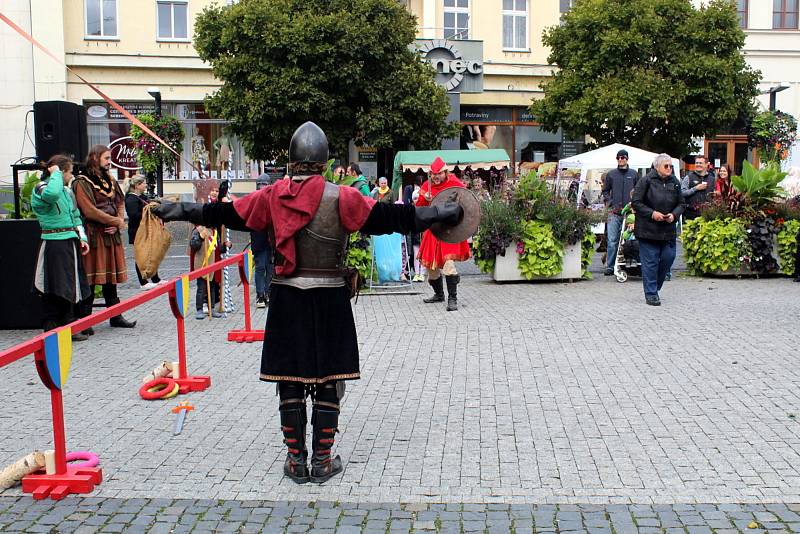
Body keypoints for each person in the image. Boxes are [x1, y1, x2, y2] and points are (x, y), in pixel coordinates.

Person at [151, 122, 462, 484]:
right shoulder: (343, 197)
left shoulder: (270, 196)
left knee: (291, 380)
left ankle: (296, 461)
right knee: (330, 379)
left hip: (286, 296)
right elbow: (392, 217)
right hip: (330, 294)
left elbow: (227, 213)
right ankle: (323, 460)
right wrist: (439, 215)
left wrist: (182, 209)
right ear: (324, 161)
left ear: (292, 159)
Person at [73, 145, 136, 329]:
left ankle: (115, 316)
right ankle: (85, 321)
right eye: (106, 158)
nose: (109, 162)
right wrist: (115, 222)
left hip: (111, 235)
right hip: (94, 235)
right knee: (91, 278)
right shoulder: (81, 182)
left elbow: (120, 201)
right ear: (95, 158)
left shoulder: (109, 179)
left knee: (110, 278)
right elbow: (89, 211)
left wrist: (118, 221)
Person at [31, 155, 91, 342]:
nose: (71, 175)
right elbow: (52, 195)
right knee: (51, 284)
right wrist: (55, 173)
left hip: (69, 241)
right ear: (60, 171)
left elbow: (75, 216)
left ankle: (70, 323)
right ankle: (51, 324)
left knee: (70, 284)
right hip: (53, 242)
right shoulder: (41, 189)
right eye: (69, 172)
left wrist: (82, 237)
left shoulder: (66, 191)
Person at [416, 156, 471, 311]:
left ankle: (452, 299)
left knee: (448, 265)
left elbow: (466, 204)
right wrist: (423, 198)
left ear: (445, 172)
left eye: (439, 174)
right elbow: (419, 209)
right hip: (432, 231)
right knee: (431, 268)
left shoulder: (455, 184)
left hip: (448, 231)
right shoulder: (427, 186)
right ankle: (439, 294)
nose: (436, 177)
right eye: (433, 174)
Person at [631, 154, 684, 306]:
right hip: (648, 230)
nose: (669, 169)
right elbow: (636, 202)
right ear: (657, 167)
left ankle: (654, 286)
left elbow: (681, 203)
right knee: (650, 263)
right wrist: (653, 214)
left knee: (669, 258)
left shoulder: (675, 182)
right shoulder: (646, 180)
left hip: (668, 229)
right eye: (666, 166)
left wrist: (674, 215)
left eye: (671, 166)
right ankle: (651, 294)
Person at [601, 149, 639, 276]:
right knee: (612, 240)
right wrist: (610, 201)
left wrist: (635, 204)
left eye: (623, 157)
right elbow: (605, 190)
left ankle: (627, 264)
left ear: (627, 159)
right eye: (619, 157)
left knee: (628, 239)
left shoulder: (634, 174)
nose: (621, 159)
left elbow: (639, 191)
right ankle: (610, 266)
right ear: (616, 159)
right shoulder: (611, 174)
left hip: (629, 213)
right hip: (614, 212)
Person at [125, 175, 162, 290]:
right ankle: (143, 282)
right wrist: (148, 212)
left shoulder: (140, 197)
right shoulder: (131, 199)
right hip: (137, 232)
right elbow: (134, 215)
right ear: (137, 185)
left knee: (151, 255)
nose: (145, 185)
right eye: (143, 183)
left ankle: (155, 279)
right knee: (141, 257)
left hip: (146, 230)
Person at [681, 154, 716, 220]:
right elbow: (682, 193)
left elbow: (715, 195)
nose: (698, 164)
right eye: (696, 163)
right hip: (691, 214)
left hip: (708, 214)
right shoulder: (688, 177)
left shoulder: (712, 179)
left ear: (706, 165)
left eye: (700, 163)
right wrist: (695, 188)